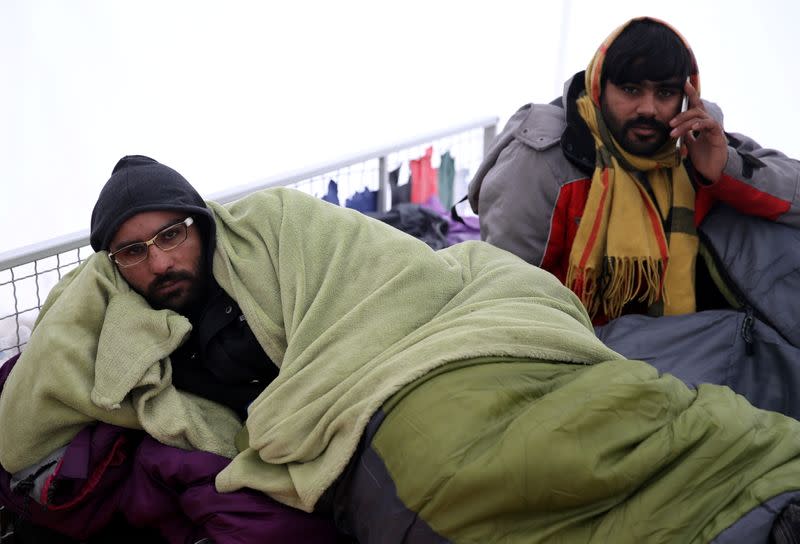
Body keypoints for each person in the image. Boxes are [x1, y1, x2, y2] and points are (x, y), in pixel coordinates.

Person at [2, 154, 800, 543]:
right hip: (367, 427)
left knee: (630, 421)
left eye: (171, 235)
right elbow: (38, 405)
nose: (160, 262)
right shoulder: (150, 338)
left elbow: (385, 280)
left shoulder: (273, 233)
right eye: (132, 254)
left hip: (450, 347)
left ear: (200, 222)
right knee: (472, 484)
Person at [468, 17, 800, 420]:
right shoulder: (546, 165)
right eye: (630, 89)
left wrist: (723, 166)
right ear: (599, 86)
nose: (648, 109)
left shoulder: (692, 144)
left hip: (692, 346)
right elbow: (504, 304)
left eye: (665, 93)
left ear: (685, 96)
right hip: (576, 359)